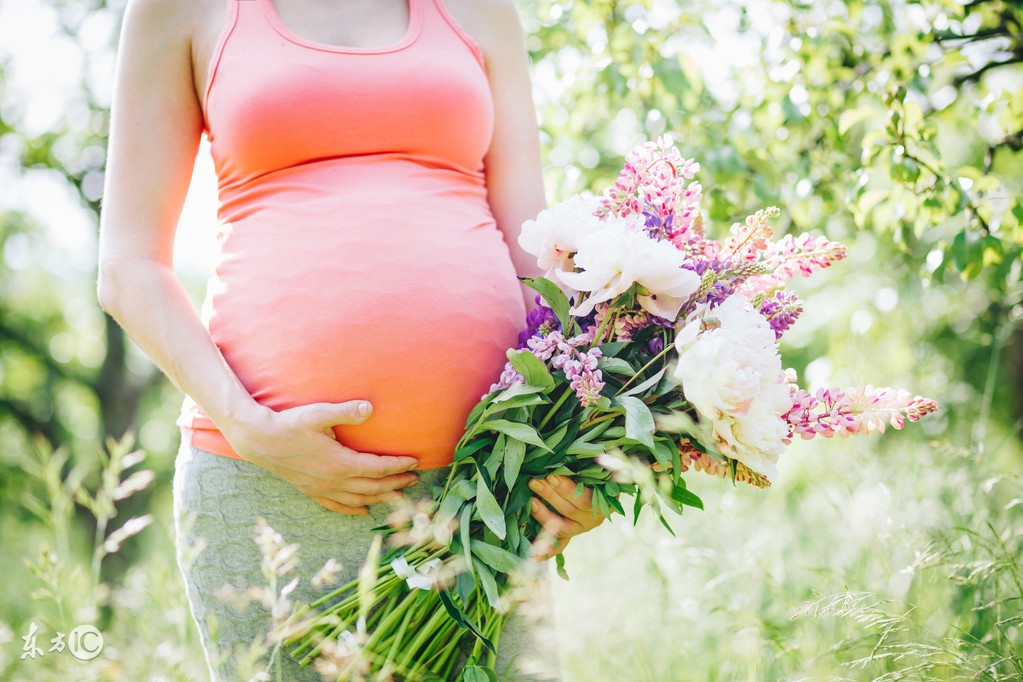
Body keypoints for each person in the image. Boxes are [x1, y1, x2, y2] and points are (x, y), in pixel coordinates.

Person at [97, 0, 603, 679]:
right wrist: (245, 425)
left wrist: (586, 449)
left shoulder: (481, 9)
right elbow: (128, 269)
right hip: (269, 484)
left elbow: (534, 254)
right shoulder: (181, 9)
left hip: (485, 487)